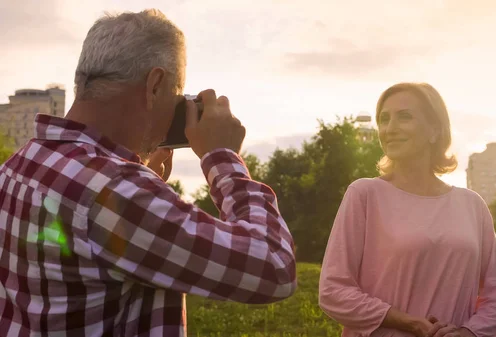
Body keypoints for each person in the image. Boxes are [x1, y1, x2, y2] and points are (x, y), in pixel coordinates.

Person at [0, 9, 296, 337]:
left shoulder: (18, 167)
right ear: (154, 86)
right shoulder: (118, 193)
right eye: (176, 94)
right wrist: (222, 157)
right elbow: (274, 268)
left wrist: (144, 182)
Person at [318, 82, 496, 337]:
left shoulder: (472, 205)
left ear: (434, 130)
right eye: (384, 119)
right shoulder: (364, 195)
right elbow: (333, 291)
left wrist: (469, 333)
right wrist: (410, 323)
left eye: (404, 117)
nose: (390, 128)